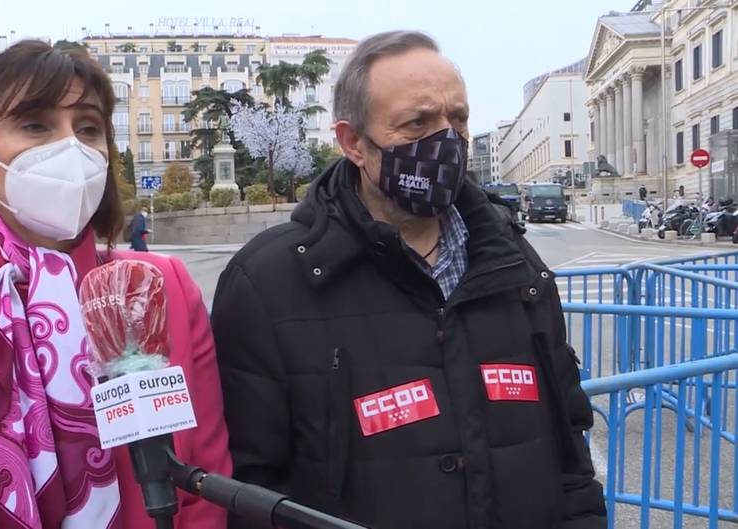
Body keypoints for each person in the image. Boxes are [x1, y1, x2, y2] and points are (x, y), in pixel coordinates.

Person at [211, 31, 606, 529]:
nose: (446, 141)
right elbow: (253, 493)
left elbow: (568, 446)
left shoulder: (516, 266)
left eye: (456, 118)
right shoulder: (267, 285)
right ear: (353, 142)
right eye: (416, 123)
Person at [0, 40, 230, 529]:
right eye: (35, 125)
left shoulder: (163, 287)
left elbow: (205, 488)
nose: (69, 147)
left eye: (88, 128)